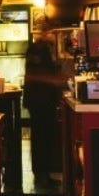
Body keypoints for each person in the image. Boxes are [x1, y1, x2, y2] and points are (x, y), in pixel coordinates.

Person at [23, 38, 63, 185]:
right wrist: (54, 79)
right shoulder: (37, 50)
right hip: (40, 101)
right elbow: (36, 75)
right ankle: (41, 175)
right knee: (42, 138)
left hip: (42, 100)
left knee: (44, 138)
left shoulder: (40, 49)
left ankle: (43, 174)